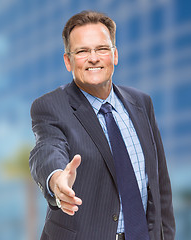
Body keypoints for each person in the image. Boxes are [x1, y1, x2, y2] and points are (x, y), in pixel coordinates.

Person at [29, 11, 175, 240]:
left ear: (115, 55)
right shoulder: (50, 106)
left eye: (102, 49)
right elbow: (47, 148)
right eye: (82, 51)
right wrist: (57, 179)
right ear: (68, 61)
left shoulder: (142, 103)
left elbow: (160, 183)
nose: (93, 58)